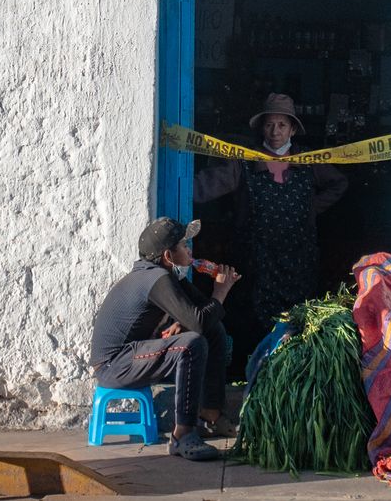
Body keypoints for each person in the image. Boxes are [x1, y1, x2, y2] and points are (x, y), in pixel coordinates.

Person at [194, 92, 348, 354]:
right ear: (261, 128)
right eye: (269, 125)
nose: (275, 131)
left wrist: (310, 210)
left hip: (298, 259)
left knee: (296, 323)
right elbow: (205, 186)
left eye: (282, 125)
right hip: (257, 261)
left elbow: (339, 183)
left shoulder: (308, 161)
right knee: (254, 322)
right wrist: (174, 189)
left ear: (292, 129)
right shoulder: (245, 161)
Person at [90, 217, 241, 461]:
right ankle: (182, 435)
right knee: (191, 345)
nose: (189, 250)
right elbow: (199, 321)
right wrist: (220, 292)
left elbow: (202, 317)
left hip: (134, 354)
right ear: (168, 256)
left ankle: (210, 415)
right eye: (183, 246)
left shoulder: (167, 276)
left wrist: (182, 320)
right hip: (114, 365)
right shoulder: (155, 278)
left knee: (213, 331)